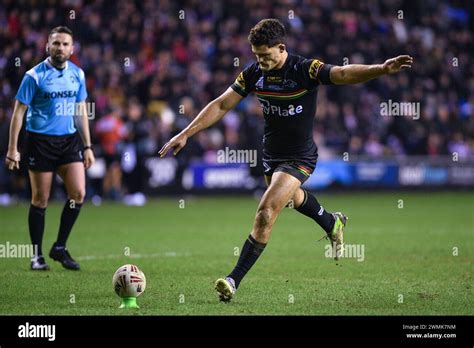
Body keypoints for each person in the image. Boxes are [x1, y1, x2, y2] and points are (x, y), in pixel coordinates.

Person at [159, 19, 413, 302]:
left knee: (266, 212)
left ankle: (233, 280)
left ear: (282, 48)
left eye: (266, 55)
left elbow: (342, 73)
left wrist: (381, 69)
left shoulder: (305, 69)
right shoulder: (253, 73)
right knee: (293, 199)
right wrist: (185, 133)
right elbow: (221, 104)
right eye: (256, 55)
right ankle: (332, 222)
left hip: (300, 156)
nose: (261, 61)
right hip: (272, 155)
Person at [5, 26, 95, 271]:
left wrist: (87, 146)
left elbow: (80, 111)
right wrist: (13, 148)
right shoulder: (34, 76)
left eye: (65, 44)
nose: (60, 48)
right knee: (40, 199)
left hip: (68, 141)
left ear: (72, 48)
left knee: (78, 194)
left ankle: (59, 247)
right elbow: (18, 112)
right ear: (47, 47)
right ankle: (36, 256)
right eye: (56, 43)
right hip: (39, 142)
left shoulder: (78, 74)